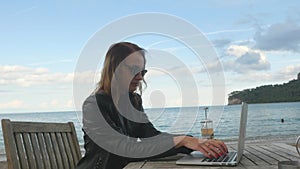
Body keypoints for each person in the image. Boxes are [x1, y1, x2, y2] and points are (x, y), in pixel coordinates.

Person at [76, 42, 228, 169]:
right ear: (114, 69)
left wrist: (195, 143)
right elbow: (123, 149)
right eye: (134, 70)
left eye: (143, 71)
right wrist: (182, 141)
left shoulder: (133, 101)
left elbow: (152, 136)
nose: (140, 77)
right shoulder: (94, 105)